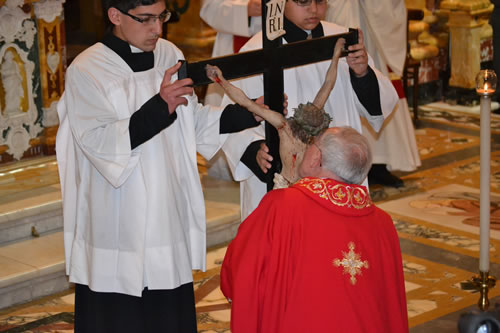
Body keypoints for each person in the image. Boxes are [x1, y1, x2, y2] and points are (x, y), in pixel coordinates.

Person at [55, 0, 262, 331]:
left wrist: (245, 112)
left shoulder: (168, 53)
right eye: (146, 19)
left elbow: (190, 118)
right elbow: (97, 141)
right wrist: (159, 106)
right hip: (117, 212)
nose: (157, 28)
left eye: (162, 17)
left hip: (166, 209)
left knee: (167, 311)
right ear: (115, 16)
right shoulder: (87, 68)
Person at [220, 0, 399, 220]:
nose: (314, 9)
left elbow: (379, 105)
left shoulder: (341, 40)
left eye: (320, 1)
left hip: (339, 172)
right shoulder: (257, 50)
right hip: (284, 174)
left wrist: (362, 74)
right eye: (303, 1)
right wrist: (253, 149)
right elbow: (230, 118)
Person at [220, 126, 409, 333]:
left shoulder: (282, 206)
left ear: (316, 159)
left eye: (311, 144)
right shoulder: (383, 223)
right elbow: (392, 302)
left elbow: (242, 269)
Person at [206, 36, 343, 188]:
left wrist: (336, 55)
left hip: (307, 187)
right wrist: (221, 81)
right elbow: (246, 103)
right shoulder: (284, 126)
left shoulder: (291, 127)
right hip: (284, 187)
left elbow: (328, 84)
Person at [326, 0, 421, 187]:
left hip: (371, 30)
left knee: (374, 87)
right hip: (340, 15)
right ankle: (338, 161)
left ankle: (378, 162)